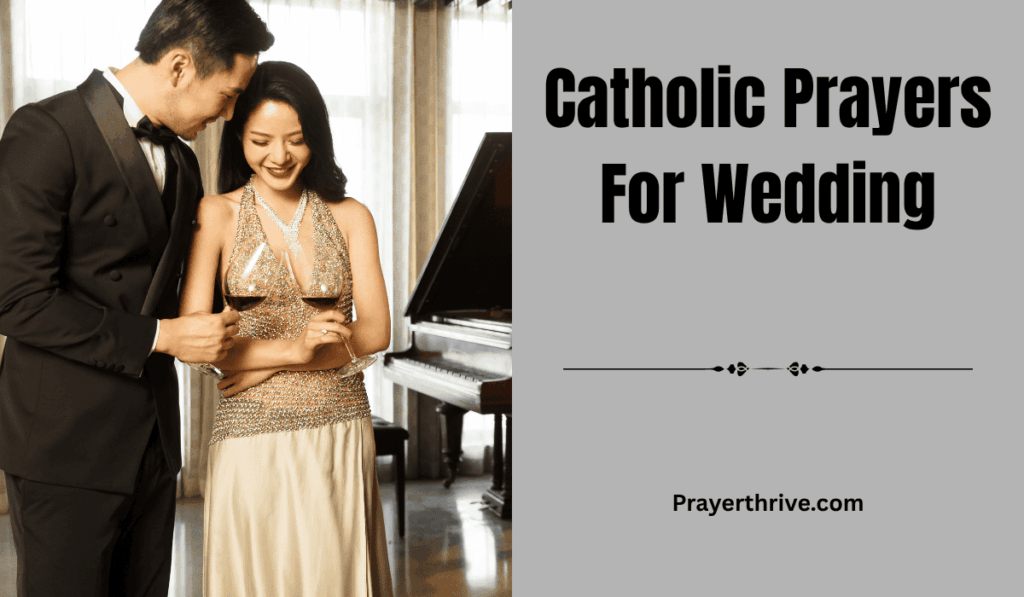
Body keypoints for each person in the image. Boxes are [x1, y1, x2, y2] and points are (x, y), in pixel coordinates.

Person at [0, 1, 273, 595]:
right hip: (63, 449)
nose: (229, 114)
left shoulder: (182, 158)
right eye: (227, 95)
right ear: (179, 67)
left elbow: (176, 296)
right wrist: (163, 337)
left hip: (152, 446)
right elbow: (18, 300)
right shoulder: (44, 130)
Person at [178, 61, 393, 595]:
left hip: (340, 430)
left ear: (315, 138)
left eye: (296, 140)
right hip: (252, 436)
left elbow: (375, 333)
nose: (280, 156)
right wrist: (295, 351)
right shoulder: (216, 215)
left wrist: (266, 360)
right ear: (238, 138)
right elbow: (194, 341)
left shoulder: (351, 216)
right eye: (261, 140)